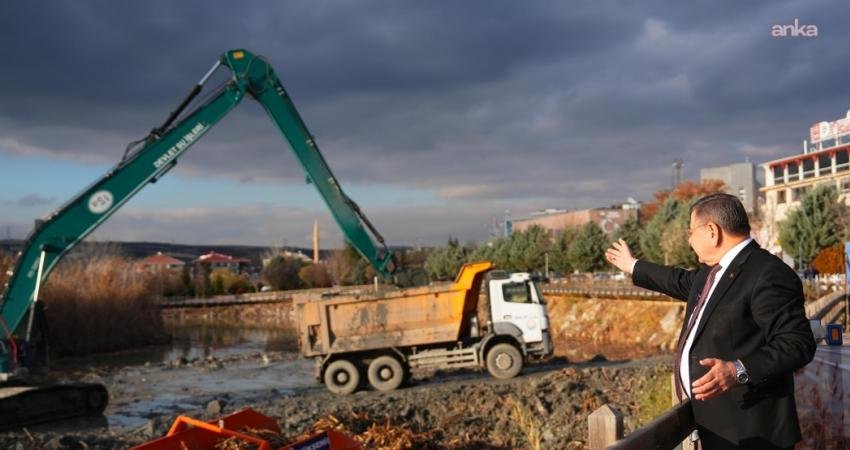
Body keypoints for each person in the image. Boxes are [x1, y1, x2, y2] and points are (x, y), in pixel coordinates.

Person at [605, 193, 815, 450]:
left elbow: (797, 343)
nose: (689, 239)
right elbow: (677, 280)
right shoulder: (711, 273)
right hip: (715, 427)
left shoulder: (767, 273)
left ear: (712, 231)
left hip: (753, 433)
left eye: (691, 231)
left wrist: (737, 370)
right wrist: (632, 265)